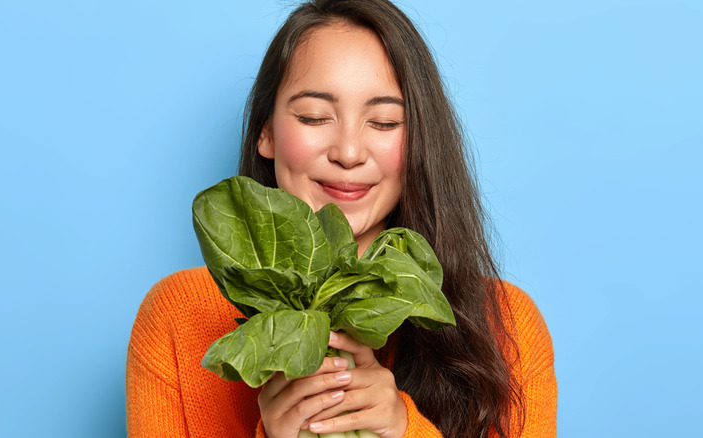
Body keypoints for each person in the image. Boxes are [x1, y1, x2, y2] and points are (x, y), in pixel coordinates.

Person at [126, 0, 557, 437]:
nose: (349, 153)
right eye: (314, 116)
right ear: (267, 131)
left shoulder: (509, 329)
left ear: (421, 141)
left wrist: (404, 430)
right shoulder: (177, 319)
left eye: (385, 122)